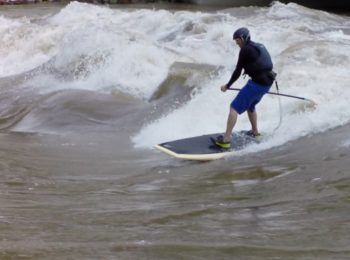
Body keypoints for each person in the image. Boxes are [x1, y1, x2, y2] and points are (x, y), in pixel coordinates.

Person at [215, 27, 275, 149]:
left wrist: (227, 85)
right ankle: (255, 132)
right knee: (250, 106)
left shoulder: (245, 50)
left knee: (234, 107)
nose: (237, 44)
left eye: (237, 41)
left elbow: (237, 71)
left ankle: (226, 139)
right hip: (267, 84)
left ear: (243, 38)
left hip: (257, 84)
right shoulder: (259, 46)